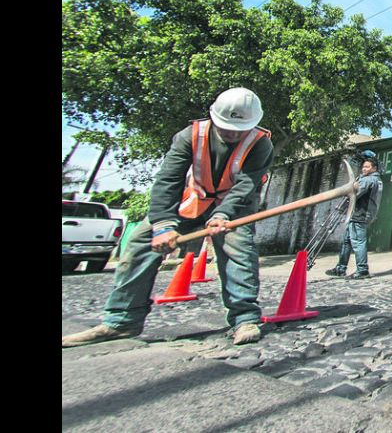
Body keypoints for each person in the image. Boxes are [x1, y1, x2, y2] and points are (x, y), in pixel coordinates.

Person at [62, 87, 275, 347]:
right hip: (193, 200)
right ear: (214, 116)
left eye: (238, 129)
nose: (232, 133)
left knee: (238, 247)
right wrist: (163, 225)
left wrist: (222, 214)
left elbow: (247, 184)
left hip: (233, 206)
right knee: (142, 239)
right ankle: (121, 321)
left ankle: (244, 319)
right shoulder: (190, 135)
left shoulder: (260, 143)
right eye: (226, 126)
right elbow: (168, 180)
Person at [325, 156, 383, 280]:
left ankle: (362, 270)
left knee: (358, 241)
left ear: (374, 168)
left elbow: (354, 193)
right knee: (347, 241)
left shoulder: (368, 180)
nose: (364, 169)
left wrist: (343, 202)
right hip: (358, 214)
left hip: (360, 214)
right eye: (363, 167)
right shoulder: (376, 180)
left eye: (367, 167)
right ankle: (340, 268)